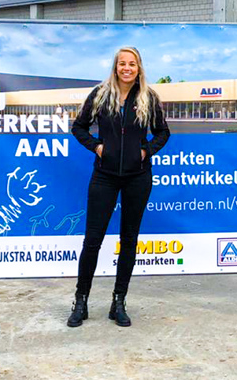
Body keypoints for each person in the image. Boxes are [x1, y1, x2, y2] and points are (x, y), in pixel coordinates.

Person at [68, 47, 170, 328]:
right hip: (105, 176)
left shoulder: (148, 97)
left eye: (132, 64)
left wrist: (146, 151)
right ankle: (80, 301)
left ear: (139, 68)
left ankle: (119, 302)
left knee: (129, 240)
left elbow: (163, 132)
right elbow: (79, 127)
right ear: (115, 67)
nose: (127, 68)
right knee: (92, 241)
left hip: (138, 177)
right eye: (122, 63)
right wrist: (97, 147)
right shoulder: (101, 94)